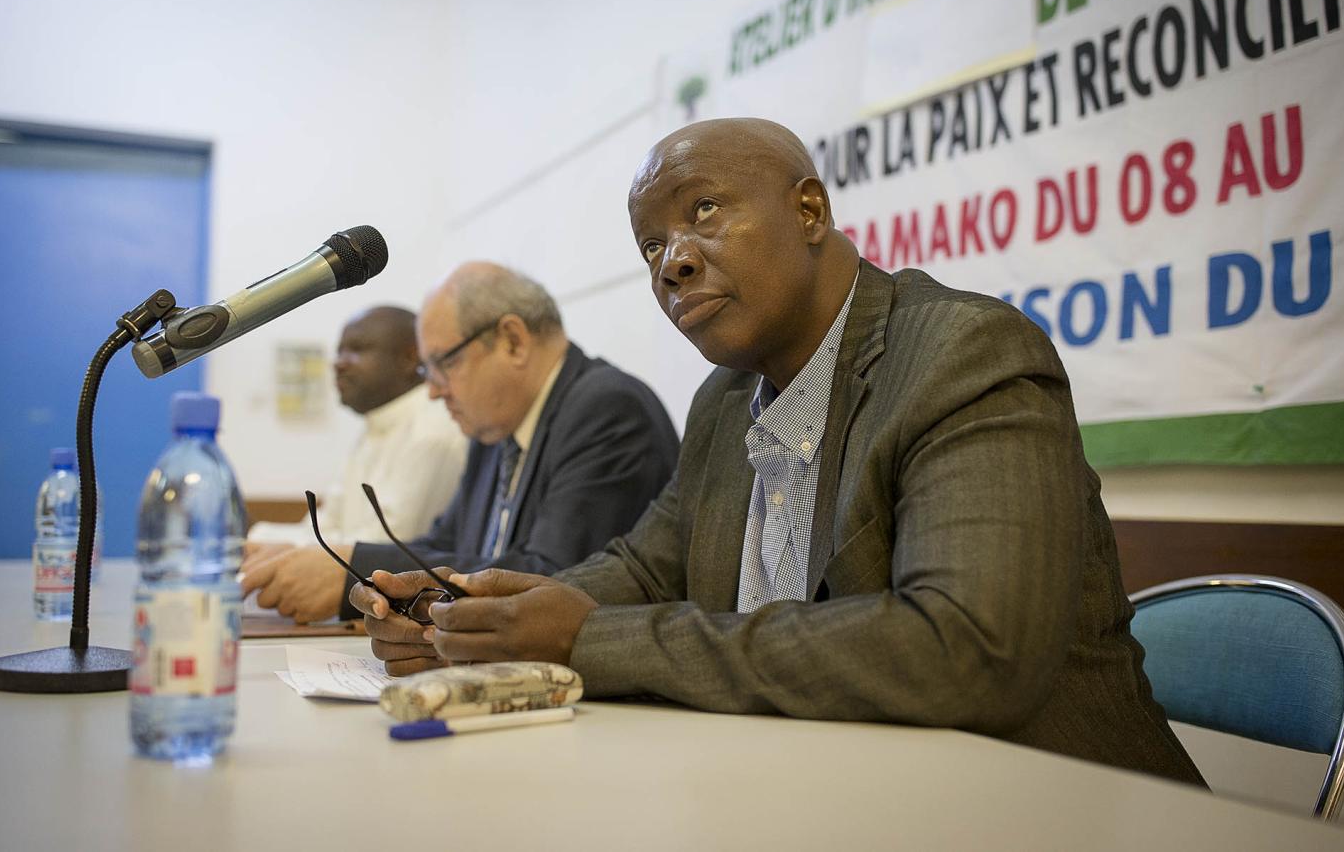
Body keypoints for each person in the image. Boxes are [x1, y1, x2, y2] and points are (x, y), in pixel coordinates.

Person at [352, 118, 1206, 785]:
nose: (672, 262)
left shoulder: (963, 352)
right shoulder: (725, 400)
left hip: (1046, 803)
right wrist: (474, 619)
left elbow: (966, 650)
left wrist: (590, 642)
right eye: (651, 246)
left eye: (703, 211)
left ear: (809, 211)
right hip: (823, 794)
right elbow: (644, 570)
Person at [258, 261, 680, 623]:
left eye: (444, 364)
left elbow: (554, 579)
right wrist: (351, 565)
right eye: (427, 371)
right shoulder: (495, 427)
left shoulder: (607, 408)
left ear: (513, 341)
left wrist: (353, 570)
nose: (432, 391)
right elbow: (446, 545)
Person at [242, 306, 467, 622]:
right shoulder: (374, 429)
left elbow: (383, 552)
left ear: (409, 357)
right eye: (339, 351)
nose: (339, 363)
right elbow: (328, 528)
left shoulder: (433, 432)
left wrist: (265, 548)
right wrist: (253, 540)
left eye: (357, 350)